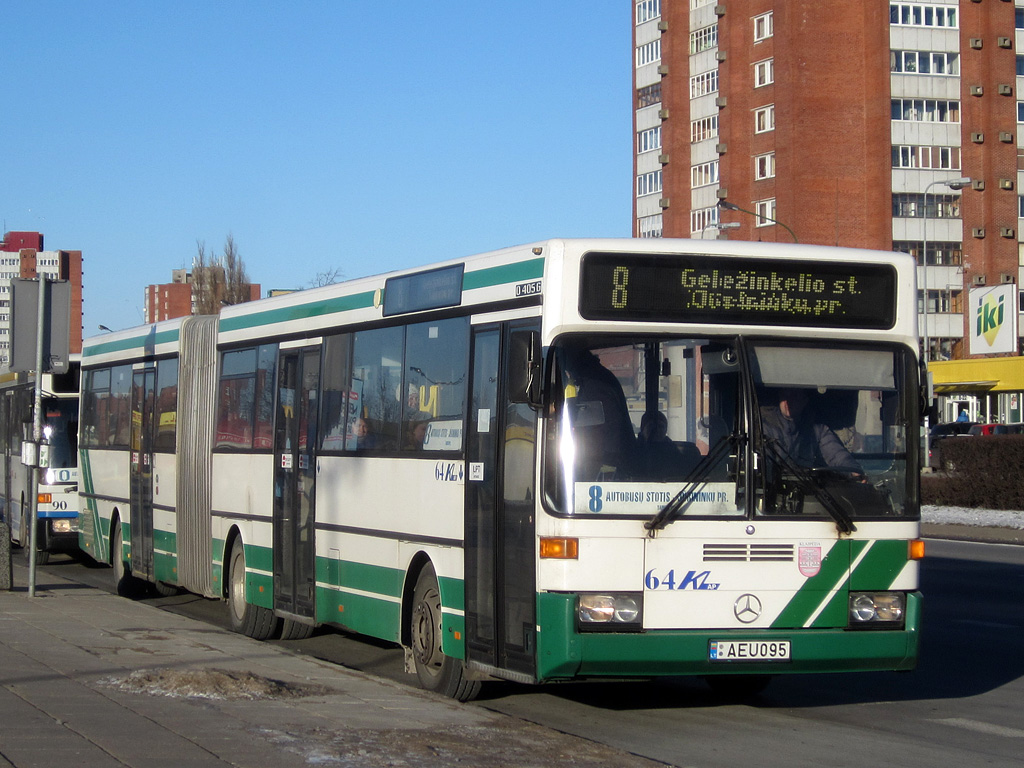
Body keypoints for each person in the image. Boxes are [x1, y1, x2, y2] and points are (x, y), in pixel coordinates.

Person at [759, 387, 861, 474]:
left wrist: (853, 470)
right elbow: (763, 464)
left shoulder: (816, 429)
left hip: (810, 491)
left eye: (794, 395)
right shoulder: (764, 428)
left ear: (805, 399)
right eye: (785, 395)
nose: (788, 401)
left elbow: (836, 454)